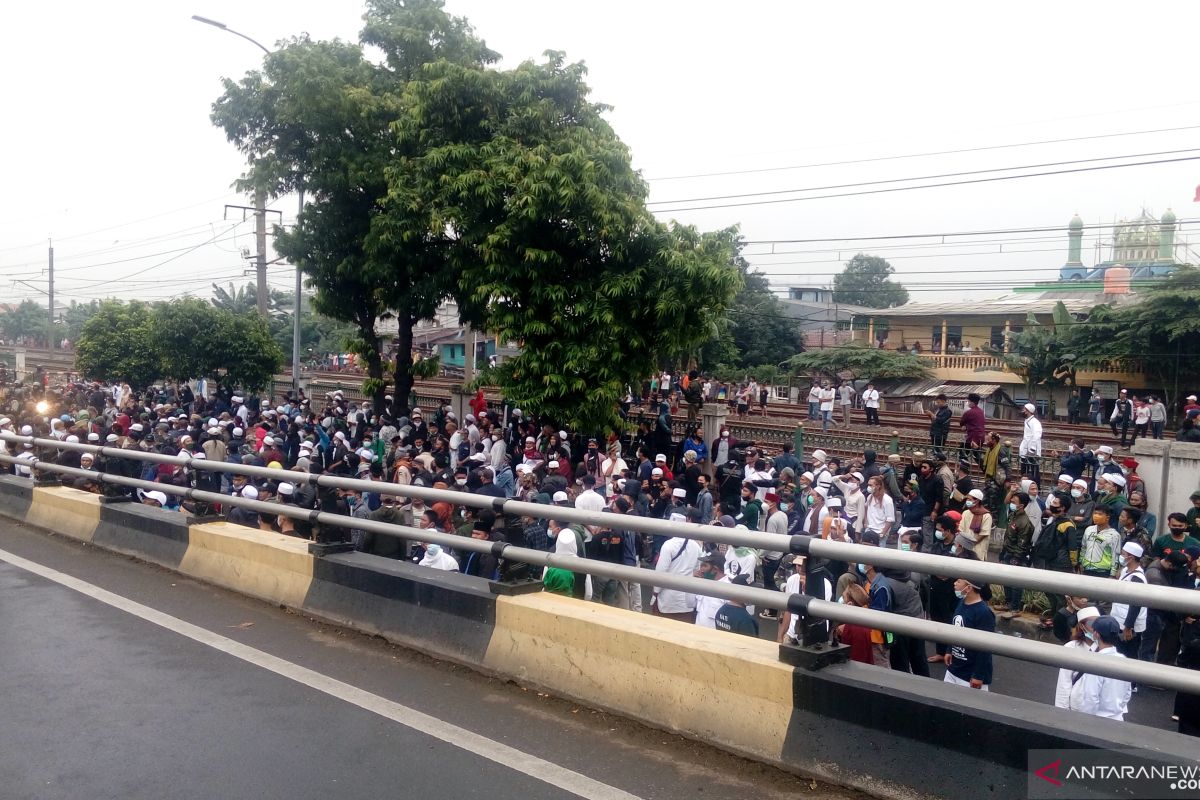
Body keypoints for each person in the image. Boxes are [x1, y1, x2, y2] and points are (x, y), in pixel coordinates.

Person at [1069, 615, 1133, 721]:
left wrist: (1084, 720)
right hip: (1117, 718)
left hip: (1096, 721)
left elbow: (1090, 698)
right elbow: (1127, 693)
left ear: (1096, 634)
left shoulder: (1096, 662)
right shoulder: (1123, 660)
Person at [943, 576, 994, 691]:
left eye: (958, 581)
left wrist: (978, 675)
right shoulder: (961, 603)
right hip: (954, 668)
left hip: (970, 676)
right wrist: (949, 650)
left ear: (968, 588)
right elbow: (956, 629)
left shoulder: (984, 613)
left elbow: (985, 647)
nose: (954, 583)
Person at [1109, 542, 1148, 666]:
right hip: (1119, 619)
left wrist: (1128, 627)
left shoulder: (1137, 578)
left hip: (1128, 626)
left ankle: (1132, 684)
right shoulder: (1126, 570)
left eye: (1123, 554)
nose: (1121, 556)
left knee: (1129, 656)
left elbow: (1135, 605)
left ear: (1130, 558)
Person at [1055, 605, 1101, 708]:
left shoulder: (1106, 648)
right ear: (1081, 626)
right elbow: (1064, 682)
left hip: (1098, 708)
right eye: (1092, 623)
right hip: (1076, 706)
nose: (1096, 627)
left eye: (1099, 623)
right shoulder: (1071, 647)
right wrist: (1061, 712)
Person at [652, 532, 702, 622]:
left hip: (667, 600)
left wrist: (655, 593)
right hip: (687, 601)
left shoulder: (668, 545)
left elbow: (660, 573)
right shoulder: (696, 546)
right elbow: (697, 571)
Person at [999, 492, 1034, 619]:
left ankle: (1015, 608)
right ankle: (1008, 603)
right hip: (1008, 552)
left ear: (1022, 505)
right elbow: (1008, 536)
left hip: (1018, 555)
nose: (1012, 503)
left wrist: (1016, 557)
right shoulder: (1013, 516)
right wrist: (1003, 553)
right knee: (1006, 580)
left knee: (1015, 583)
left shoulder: (1024, 522)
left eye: (1014, 502)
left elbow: (1022, 543)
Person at [835, 583, 875, 665]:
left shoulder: (856, 628)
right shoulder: (856, 623)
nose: (841, 600)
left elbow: (857, 660)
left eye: (843, 597)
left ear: (850, 603)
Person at [1079, 505, 1121, 580]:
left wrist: (1112, 574)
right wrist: (1081, 563)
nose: (1096, 516)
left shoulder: (1114, 535)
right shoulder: (1089, 530)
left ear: (1107, 517)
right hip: (1087, 569)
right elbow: (1084, 547)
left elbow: (1115, 555)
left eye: (1100, 514)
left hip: (1103, 572)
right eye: (1095, 513)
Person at [959, 393, 986, 467]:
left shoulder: (969, 412)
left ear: (972, 402)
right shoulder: (981, 411)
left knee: (963, 454)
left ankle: (964, 469)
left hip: (972, 438)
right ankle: (986, 469)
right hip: (980, 437)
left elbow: (961, 422)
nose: (967, 403)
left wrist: (964, 426)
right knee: (977, 455)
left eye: (968, 401)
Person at [1019, 403, 1043, 484]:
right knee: (1024, 469)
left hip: (1031, 451)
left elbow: (1037, 435)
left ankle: (1036, 486)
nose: (1022, 411)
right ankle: (1025, 485)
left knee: (1034, 471)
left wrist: (1032, 449)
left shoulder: (1034, 422)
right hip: (1026, 451)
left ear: (1028, 411)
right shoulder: (1028, 421)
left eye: (1024, 409)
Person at [927, 394, 952, 461]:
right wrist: (930, 416)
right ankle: (935, 461)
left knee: (938, 451)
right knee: (935, 450)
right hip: (935, 432)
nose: (937, 404)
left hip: (940, 434)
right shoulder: (939, 410)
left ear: (943, 401)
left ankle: (939, 462)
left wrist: (932, 414)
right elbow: (935, 421)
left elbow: (940, 420)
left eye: (938, 402)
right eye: (937, 402)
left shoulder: (947, 411)